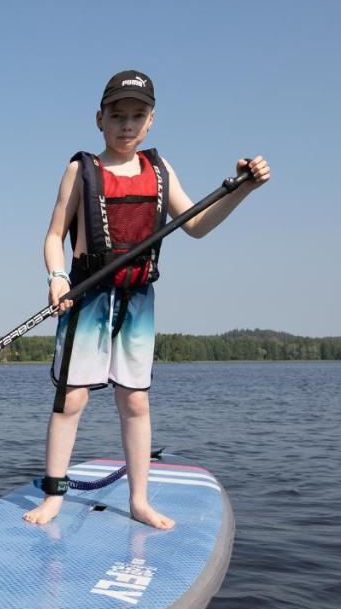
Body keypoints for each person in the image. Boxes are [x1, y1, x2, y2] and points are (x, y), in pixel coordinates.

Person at [25, 70, 270, 529]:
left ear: (151, 121)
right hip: (87, 296)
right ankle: (54, 495)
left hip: (137, 299)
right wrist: (57, 277)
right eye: (118, 116)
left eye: (137, 116)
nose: (127, 125)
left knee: (135, 402)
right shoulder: (82, 170)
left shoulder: (160, 170)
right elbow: (54, 235)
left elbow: (196, 225)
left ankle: (139, 499)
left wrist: (244, 190)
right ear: (100, 119)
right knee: (72, 398)